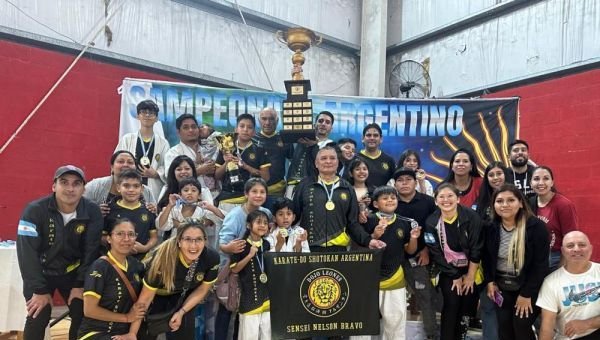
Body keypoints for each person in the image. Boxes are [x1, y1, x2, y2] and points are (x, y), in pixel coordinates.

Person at [17, 165, 103, 340]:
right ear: (54, 186)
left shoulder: (92, 211)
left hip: (73, 273)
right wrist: (39, 290)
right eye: (64, 182)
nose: (70, 189)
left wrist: (79, 285)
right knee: (37, 314)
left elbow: (91, 249)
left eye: (76, 183)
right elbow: (27, 254)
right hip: (41, 272)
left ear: (83, 189)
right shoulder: (34, 211)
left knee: (83, 314)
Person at [125, 218, 220, 339]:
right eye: (188, 239)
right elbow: (145, 299)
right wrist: (132, 333)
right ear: (179, 241)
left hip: (183, 296)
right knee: (145, 335)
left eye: (199, 239)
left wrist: (181, 312)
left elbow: (203, 289)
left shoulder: (211, 257)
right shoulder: (162, 260)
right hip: (155, 297)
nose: (193, 245)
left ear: (205, 241)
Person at [353, 186, 421, 340]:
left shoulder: (406, 223)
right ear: (376, 204)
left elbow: (410, 251)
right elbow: (358, 247)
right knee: (362, 323)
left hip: (394, 277)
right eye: (385, 198)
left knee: (395, 322)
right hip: (367, 279)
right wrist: (374, 235)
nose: (390, 200)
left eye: (393, 197)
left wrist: (414, 238)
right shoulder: (365, 220)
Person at [483, 184, 549, 340]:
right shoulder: (490, 227)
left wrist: (526, 294)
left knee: (521, 325)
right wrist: (490, 281)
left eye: (510, 200)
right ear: (494, 205)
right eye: (499, 201)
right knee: (504, 327)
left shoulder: (536, 227)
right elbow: (486, 258)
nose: (504, 205)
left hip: (528, 287)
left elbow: (540, 265)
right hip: (502, 286)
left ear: (520, 203)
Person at [292, 146, 385, 252]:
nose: (328, 161)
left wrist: (368, 241)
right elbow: (294, 215)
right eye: (323, 158)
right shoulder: (305, 185)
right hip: (308, 247)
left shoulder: (347, 187)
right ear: (316, 164)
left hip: (339, 249)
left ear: (337, 163)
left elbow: (352, 222)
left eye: (332, 158)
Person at [423, 183, 484, 340]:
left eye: (450, 196)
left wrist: (470, 277)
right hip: (448, 269)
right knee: (451, 304)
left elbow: (476, 248)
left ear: (458, 198)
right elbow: (435, 253)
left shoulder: (472, 217)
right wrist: (455, 275)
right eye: (441, 197)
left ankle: (461, 337)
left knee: (467, 308)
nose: (446, 200)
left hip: (472, 267)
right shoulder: (431, 222)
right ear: (435, 201)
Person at [216, 178, 271, 340]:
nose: (258, 195)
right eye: (254, 191)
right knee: (228, 306)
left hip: (254, 268)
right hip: (233, 267)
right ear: (246, 194)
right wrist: (230, 248)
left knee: (247, 311)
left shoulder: (266, 213)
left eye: (262, 192)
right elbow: (222, 244)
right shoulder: (235, 215)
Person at [78, 219, 146, 340]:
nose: (126, 239)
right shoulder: (99, 267)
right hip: (95, 333)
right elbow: (89, 310)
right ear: (109, 238)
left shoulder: (136, 265)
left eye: (131, 234)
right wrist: (127, 318)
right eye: (120, 234)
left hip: (125, 333)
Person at [393, 167, 439, 340]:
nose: (404, 183)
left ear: (415, 182)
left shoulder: (427, 202)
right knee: (390, 300)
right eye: (400, 180)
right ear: (395, 184)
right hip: (392, 260)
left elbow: (434, 230)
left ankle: (431, 335)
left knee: (425, 296)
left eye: (408, 179)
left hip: (418, 258)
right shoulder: (390, 202)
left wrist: (427, 249)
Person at [537, 231, 600, 340]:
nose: (576, 249)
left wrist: (588, 324)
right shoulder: (551, 282)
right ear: (563, 251)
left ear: (590, 249)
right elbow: (547, 327)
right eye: (570, 246)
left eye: (582, 245)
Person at [474, 161, 509, 340]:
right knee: (489, 308)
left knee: (511, 312)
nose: (496, 178)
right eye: (491, 175)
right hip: (487, 264)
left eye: (499, 173)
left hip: (512, 266)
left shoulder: (520, 200)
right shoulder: (480, 203)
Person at [115, 99, 170, 200]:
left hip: (153, 187)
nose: (147, 115)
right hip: (129, 185)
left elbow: (167, 166)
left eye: (151, 113)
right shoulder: (127, 139)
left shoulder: (163, 143)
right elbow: (116, 162)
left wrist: (156, 173)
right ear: (138, 116)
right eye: (143, 112)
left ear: (157, 118)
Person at [215, 113, 271, 211]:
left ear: (254, 132)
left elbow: (266, 177)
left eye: (249, 127)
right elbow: (217, 176)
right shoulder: (225, 148)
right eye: (242, 126)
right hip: (227, 199)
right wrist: (226, 163)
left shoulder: (259, 150)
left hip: (250, 201)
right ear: (236, 129)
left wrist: (246, 166)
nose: (245, 129)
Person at [231, 210, 272, 339]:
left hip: (267, 298)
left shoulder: (266, 244)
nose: (262, 225)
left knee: (267, 336)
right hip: (249, 298)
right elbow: (234, 269)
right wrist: (249, 256)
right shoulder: (240, 244)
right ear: (249, 225)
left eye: (265, 223)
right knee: (248, 336)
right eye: (258, 222)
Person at [530, 165, 579, 271]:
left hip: (556, 257)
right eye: (536, 179)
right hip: (535, 257)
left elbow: (570, 240)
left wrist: (561, 268)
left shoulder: (564, 205)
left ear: (552, 182)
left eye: (546, 178)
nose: (541, 183)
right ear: (531, 183)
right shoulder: (529, 203)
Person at [104, 170, 158, 260]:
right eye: (126, 186)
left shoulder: (148, 210)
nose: (131, 190)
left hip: (142, 260)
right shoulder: (109, 210)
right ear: (118, 188)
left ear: (142, 189)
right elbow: (102, 237)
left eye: (136, 186)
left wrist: (145, 248)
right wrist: (122, 247)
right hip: (115, 261)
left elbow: (154, 237)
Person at [85, 150, 156, 216]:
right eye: (120, 161)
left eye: (130, 162)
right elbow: (78, 208)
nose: (125, 165)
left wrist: (153, 211)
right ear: (112, 167)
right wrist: (93, 212)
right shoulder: (95, 186)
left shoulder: (146, 191)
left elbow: (155, 220)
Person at [156, 177, 224, 246]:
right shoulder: (174, 209)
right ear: (180, 195)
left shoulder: (203, 210)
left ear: (199, 196)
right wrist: (169, 206)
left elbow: (223, 218)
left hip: (197, 246)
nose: (189, 193)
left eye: (194, 190)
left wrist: (211, 207)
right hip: (176, 245)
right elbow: (161, 226)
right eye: (186, 190)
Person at [286, 111, 335, 197]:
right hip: (292, 186)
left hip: (314, 189)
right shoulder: (299, 141)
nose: (323, 124)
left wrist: (314, 146)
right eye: (320, 121)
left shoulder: (332, 146)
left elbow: (325, 167)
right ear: (314, 125)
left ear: (331, 128)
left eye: (327, 122)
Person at [253, 107, 294, 209]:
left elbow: (294, 163)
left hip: (277, 192)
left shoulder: (284, 139)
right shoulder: (252, 140)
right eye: (264, 118)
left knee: (274, 223)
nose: (267, 122)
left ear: (277, 121)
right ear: (259, 121)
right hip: (254, 192)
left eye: (271, 119)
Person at [164, 114, 215, 193]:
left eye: (194, 127)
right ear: (178, 132)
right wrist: (199, 171)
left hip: (213, 196)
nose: (191, 130)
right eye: (186, 127)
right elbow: (170, 177)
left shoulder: (208, 150)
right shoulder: (173, 153)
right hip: (187, 198)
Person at [356, 123, 395, 187]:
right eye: (368, 135)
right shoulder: (355, 158)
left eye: (375, 135)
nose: (372, 138)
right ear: (363, 138)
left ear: (381, 139)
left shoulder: (389, 160)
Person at [348, 158, 374, 224]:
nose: (362, 171)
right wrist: (358, 205)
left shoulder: (374, 191)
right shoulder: (346, 191)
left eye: (364, 169)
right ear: (351, 173)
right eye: (357, 169)